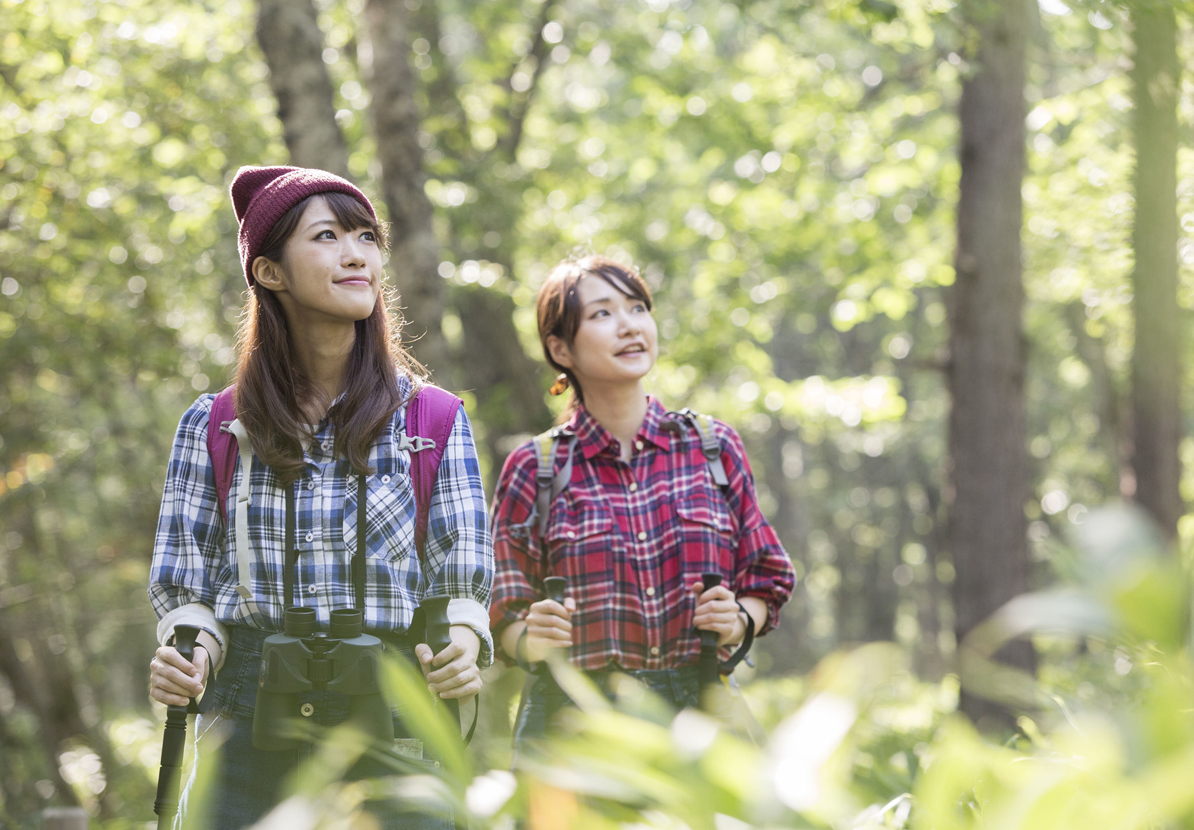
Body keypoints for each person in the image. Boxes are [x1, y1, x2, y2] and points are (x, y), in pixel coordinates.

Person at [147, 166, 492, 829]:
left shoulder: (434, 419)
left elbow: (460, 580)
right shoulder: (214, 424)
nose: (356, 253)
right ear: (270, 272)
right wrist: (187, 658)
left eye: (366, 236)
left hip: (395, 710)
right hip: (246, 715)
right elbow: (189, 587)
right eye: (329, 236)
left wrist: (460, 646)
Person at [488, 255, 795, 748]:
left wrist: (738, 619)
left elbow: (767, 575)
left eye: (637, 308)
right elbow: (501, 608)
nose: (628, 326)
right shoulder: (535, 466)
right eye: (603, 314)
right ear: (559, 348)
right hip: (577, 725)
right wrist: (529, 638)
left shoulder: (713, 446)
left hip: (703, 717)